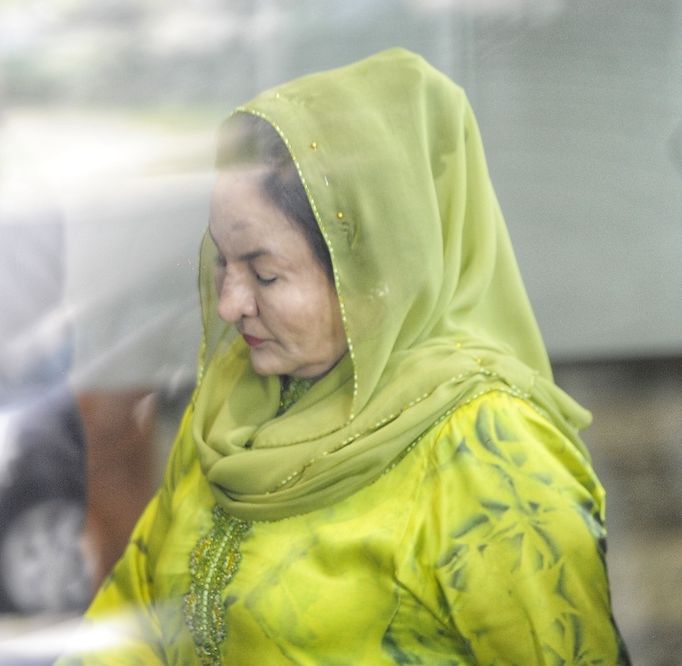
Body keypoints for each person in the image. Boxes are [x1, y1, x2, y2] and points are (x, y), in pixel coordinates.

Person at [55, 48, 629, 664]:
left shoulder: (486, 452)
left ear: (373, 275)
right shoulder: (238, 406)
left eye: (265, 273)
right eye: (222, 260)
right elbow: (133, 617)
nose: (229, 304)